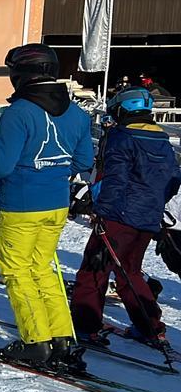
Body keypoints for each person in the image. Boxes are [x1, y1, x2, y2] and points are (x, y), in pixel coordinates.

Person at [0, 44, 95, 364]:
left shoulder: (18, 113)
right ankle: (61, 338)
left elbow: (2, 167)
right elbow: (84, 160)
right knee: (43, 268)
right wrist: (53, 171)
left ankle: (36, 341)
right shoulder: (77, 113)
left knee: (17, 270)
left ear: (20, 74)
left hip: (22, 205)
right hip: (56, 204)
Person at [72, 87, 181, 349]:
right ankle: (151, 328)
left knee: (94, 269)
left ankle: (86, 327)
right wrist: (153, 205)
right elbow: (173, 180)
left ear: (122, 110)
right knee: (129, 272)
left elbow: (115, 180)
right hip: (147, 218)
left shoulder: (121, 136)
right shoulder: (161, 138)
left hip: (117, 216)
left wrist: (100, 209)